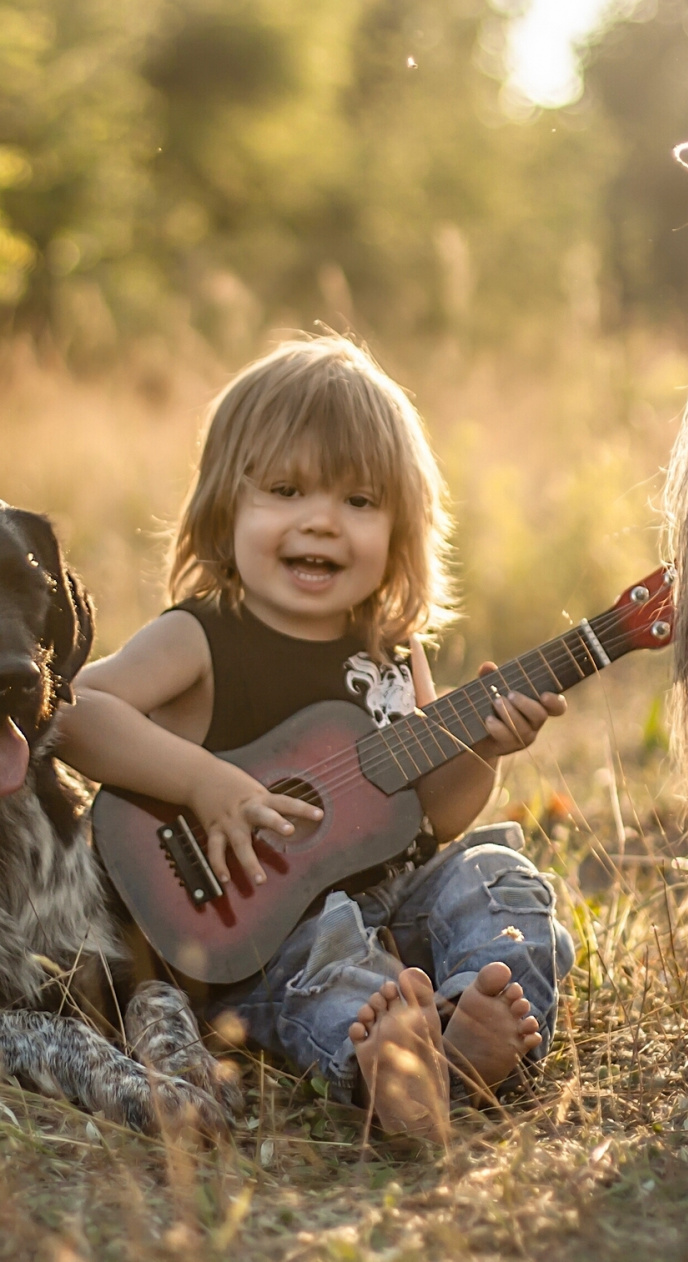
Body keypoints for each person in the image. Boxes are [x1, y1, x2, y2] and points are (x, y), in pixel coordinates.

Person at [57, 335, 575, 1142]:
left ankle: (475, 1026)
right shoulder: (201, 636)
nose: (323, 522)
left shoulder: (394, 650)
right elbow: (77, 709)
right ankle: (390, 1070)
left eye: (360, 503)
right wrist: (203, 782)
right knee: (329, 968)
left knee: (498, 876)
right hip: (261, 935)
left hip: (398, 902)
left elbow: (435, 821)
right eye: (288, 490)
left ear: (402, 528)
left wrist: (482, 751)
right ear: (227, 507)